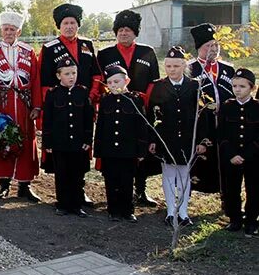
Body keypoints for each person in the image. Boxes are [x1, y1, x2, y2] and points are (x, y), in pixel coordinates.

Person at [38, 3, 101, 205]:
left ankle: (80, 190)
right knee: (63, 150)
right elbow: (45, 81)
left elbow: (96, 74)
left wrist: (91, 96)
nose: (69, 26)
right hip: (61, 108)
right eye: (65, 23)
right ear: (59, 26)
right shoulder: (49, 48)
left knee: (81, 150)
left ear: (78, 25)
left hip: (84, 105)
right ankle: (64, 195)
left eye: (73, 23)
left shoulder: (87, 45)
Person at [97, 9, 160, 206]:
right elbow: (100, 82)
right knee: (116, 151)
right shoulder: (105, 53)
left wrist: (146, 104)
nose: (124, 33)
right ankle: (115, 194)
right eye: (121, 30)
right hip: (114, 109)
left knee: (139, 149)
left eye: (128, 30)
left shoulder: (147, 52)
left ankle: (140, 190)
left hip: (140, 111)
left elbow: (154, 82)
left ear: (135, 32)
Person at [0, 10, 42, 202]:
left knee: (25, 141)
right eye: (6, 29)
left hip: (24, 105)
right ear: (1, 30)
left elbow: (35, 80)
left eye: (13, 29)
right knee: (3, 141)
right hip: (2, 103)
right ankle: (3, 185)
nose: (9, 32)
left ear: (19, 31)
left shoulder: (28, 51)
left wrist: (37, 106)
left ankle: (24, 186)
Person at [147, 46, 207, 227]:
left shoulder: (194, 86)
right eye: (168, 66)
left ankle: (183, 212)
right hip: (167, 138)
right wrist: (153, 139)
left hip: (188, 138)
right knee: (168, 174)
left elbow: (202, 115)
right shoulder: (159, 86)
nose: (172, 70)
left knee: (184, 175)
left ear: (184, 66)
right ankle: (171, 211)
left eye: (176, 66)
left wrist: (202, 140)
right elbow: (152, 115)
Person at [94, 65, 148, 222]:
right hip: (110, 149)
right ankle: (113, 210)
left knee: (126, 180)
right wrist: (99, 150)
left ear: (127, 81)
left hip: (128, 149)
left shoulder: (135, 100)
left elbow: (141, 126)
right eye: (109, 83)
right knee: (111, 180)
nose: (113, 86)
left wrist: (141, 150)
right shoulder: (106, 101)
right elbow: (101, 126)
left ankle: (127, 210)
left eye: (116, 82)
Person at [42, 59, 94, 217]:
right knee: (62, 174)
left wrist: (87, 140)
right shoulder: (52, 94)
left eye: (74, 73)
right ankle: (62, 204)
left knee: (77, 174)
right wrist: (48, 142)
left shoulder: (83, 92)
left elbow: (88, 119)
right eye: (67, 74)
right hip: (60, 143)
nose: (71, 77)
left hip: (78, 143)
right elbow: (48, 120)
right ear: (59, 76)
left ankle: (77, 205)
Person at [187, 23, 234, 195]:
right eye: (208, 46)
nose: (213, 49)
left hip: (224, 123)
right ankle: (189, 192)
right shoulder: (190, 68)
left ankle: (224, 193)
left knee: (224, 158)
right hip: (200, 124)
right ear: (200, 48)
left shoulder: (228, 69)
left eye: (216, 45)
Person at [217, 68, 259, 237]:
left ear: (252, 88)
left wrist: (245, 155)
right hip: (231, 157)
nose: (238, 89)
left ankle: (251, 220)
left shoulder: (257, 107)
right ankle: (235, 219)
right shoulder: (227, 106)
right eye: (235, 86)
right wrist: (232, 154)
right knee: (231, 188)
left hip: (253, 158)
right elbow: (221, 134)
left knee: (254, 189)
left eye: (242, 86)